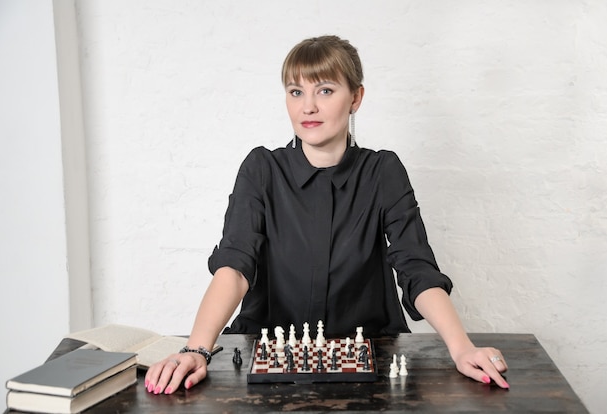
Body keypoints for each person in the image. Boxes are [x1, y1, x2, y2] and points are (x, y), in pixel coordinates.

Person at [145, 35, 509, 394]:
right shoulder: (261, 169)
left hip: (368, 357)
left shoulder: (383, 171)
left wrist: (461, 347)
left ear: (356, 98)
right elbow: (235, 265)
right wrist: (196, 349)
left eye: (325, 90)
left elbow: (416, 268)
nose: (308, 107)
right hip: (269, 358)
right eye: (295, 91)